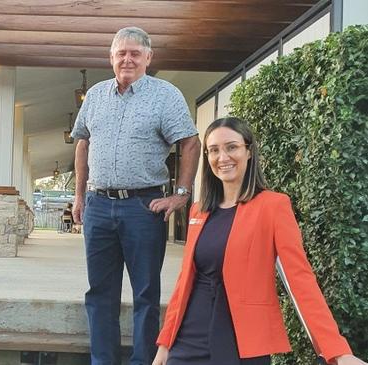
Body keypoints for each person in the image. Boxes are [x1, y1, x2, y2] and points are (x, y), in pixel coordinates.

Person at [152, 117, 366, 365]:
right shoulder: (199, 210)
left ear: (249, 151)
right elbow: (184, 282)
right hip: (189, 336)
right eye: (214, 150)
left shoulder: (274, 206)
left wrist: (337, 351)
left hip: (242, 341)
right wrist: (165, 344)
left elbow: (300, 280)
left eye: (231, 147)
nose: (222, 157)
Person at [71, 26, 201, 364]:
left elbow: (189, 142)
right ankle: (103, 360)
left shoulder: (165, 95)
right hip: (98, 205)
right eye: (121, 53)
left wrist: (181, 194)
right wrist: (80, 195)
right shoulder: (97, 95)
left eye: (135, 53)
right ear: (111, 57)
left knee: (145, 293)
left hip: (143, 207)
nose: (127, 59)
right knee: (100, 292)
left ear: (148, 58)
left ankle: (143, 360)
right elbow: (83, 141)